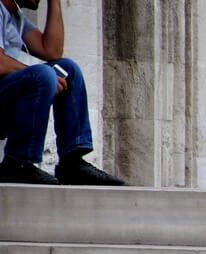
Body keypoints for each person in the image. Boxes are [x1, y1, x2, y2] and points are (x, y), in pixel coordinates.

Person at [0, 0, 123, 185]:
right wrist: (43, 76)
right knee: (45, 74)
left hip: (8, 99)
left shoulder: (16, 17)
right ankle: (18, 162)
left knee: (68, 69)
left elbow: (52, 51)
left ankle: (72, 161)